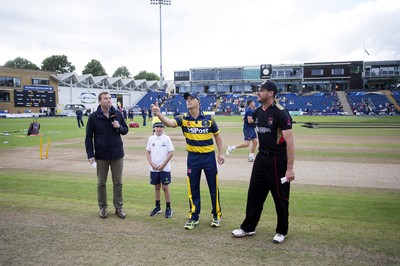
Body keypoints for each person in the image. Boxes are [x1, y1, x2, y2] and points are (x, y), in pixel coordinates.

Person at [232, 80, 295, 244]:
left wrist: (290, 169)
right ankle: (248, 227)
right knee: (254, 194)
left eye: (261, 90)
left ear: (271, 93)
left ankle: (282, 231)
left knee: (280, 197)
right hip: (261, 159)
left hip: (277, 160)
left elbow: (290, 142)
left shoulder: (281, 113)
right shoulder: (257, 112)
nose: (258, 93)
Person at [152, 92, 225, 230]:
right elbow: (170, 123)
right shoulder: (183, 118)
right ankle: (194, 216)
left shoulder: (209, 118)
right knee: (193, 188)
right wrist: (159, 115)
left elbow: (217, 136)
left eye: (191, 99)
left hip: (208, 157)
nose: (188, 101)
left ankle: (216, 215)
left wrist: (220, 153)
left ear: (198, 102)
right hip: (193, 158)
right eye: (187, 99)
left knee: (213, 187)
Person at [85, 91, 129, 219]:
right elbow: (89, 138)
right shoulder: (93, 117)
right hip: (101, 154)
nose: (109, 100)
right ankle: (103, 208)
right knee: (101, 183)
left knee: (118, 183)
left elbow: (125, 130)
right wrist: (90, 154)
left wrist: (119, 126)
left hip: (117, 154)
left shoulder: (118, 114)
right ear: (99, 101)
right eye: (105, 98)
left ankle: (118, 207)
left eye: (110, 98)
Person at [146, 121, 175, 218]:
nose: (159, 128)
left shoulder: (167, 139)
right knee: (156, 187)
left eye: (161, 127)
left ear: (164, 128)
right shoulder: (151, 139)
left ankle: (168, 207)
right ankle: (157, 207)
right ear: (154, 128)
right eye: (157, 127)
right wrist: (152, 164)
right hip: (154, 168)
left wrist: (163, 165)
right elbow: (148, 152)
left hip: (165, 168)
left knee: (165, 187)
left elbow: (171, 152)